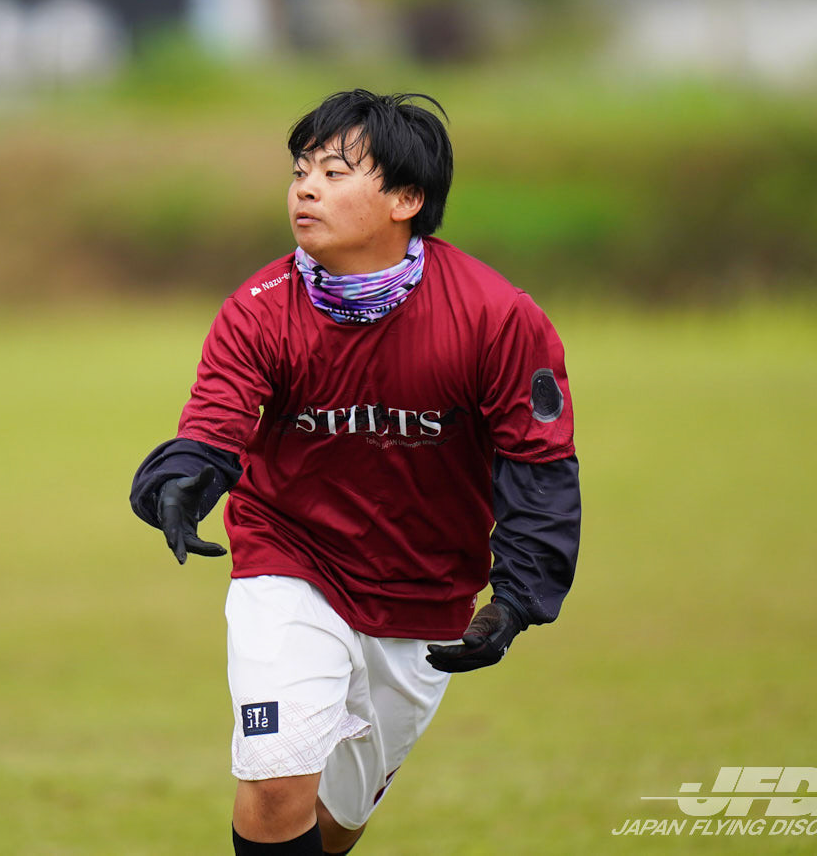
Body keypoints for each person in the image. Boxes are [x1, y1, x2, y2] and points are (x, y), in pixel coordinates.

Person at [129, 89, 581, 855]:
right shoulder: (259, 307)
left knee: (332, 824)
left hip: (423, 594)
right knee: (276, 787)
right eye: (300, 170)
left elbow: (538, 465)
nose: (306, 187)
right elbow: (217, 416)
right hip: (289, 561)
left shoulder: (495, 315)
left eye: (334, 173)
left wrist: (516, 598)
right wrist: (185, 475)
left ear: (406, 198)